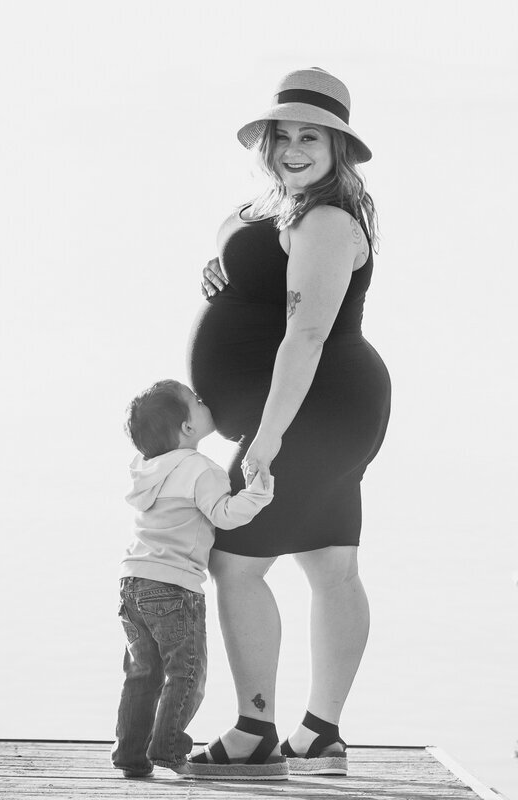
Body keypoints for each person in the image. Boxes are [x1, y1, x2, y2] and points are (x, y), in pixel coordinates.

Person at [184, 68, 391, 780]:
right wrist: (220, 273)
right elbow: (247, 277)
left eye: (313, 136)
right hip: (321, 408)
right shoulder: (271, 210)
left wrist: (263, 443)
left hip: (316, 406)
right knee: (330, 563)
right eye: (285, 135)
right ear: (266, 142)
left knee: (234, 564)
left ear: (338, 148)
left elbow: (304, 337)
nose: (295, 147)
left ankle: (253, 728)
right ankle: (318, 733)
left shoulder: (328, 221)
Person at [111, 379, 273, 778]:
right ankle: (167, 749)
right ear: (187, 428)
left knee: (142, 673)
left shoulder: (147, 470)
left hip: (132, 583)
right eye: (197, 401)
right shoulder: (200, 469)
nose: (205, 401)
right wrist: (258, 492)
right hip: (173, 587)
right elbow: (224, 514)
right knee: (186, 671)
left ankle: (130, 756)